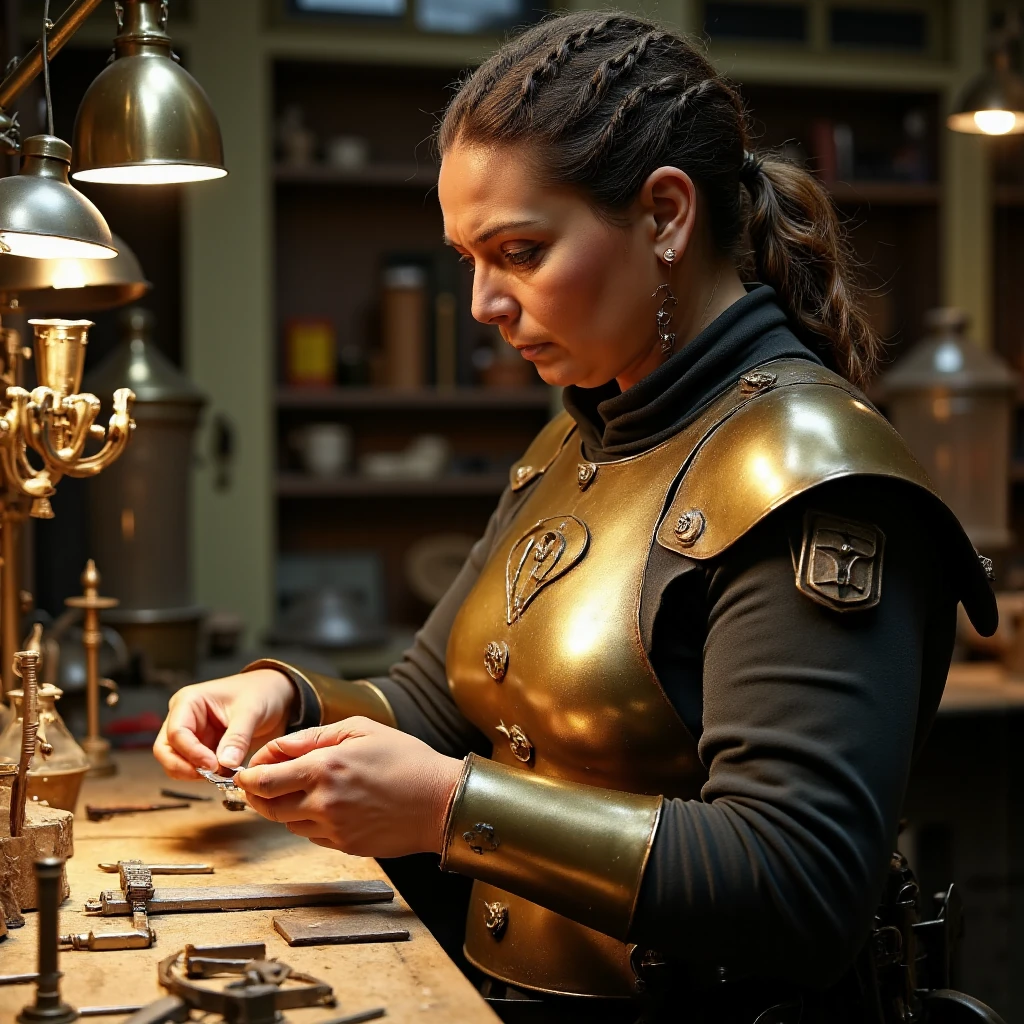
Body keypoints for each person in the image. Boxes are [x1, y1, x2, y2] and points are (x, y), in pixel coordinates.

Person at [154, 12, 998, 1023]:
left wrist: (445, 807)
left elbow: (798, 881)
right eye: (468, 257)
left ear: (665, 217)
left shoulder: (806, 473)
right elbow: (437, 698)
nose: (480, 305)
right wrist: (280, 697)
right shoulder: (581, 436)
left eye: (517, 250)